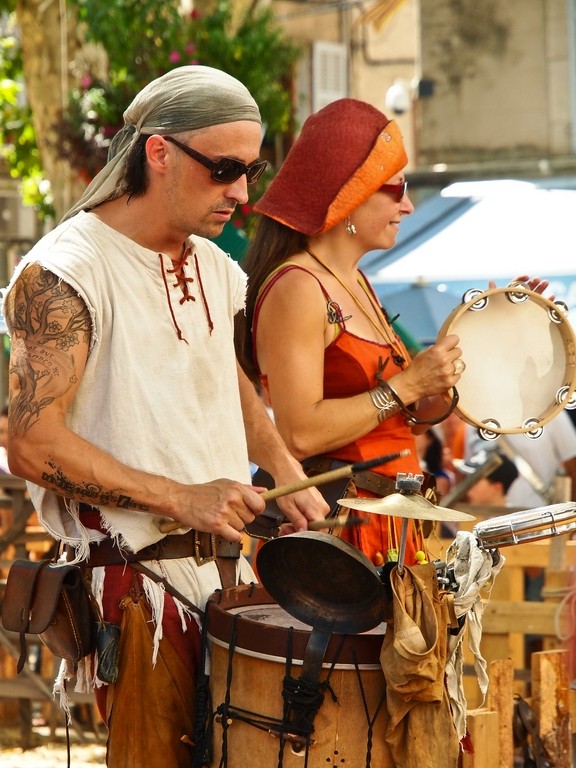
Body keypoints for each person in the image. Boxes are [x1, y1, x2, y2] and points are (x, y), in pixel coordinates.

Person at [1, 65, 327, 768]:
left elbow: (227, 380)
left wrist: (286, 468)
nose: (242, 192)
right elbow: (31, 444)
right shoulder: (64, 271)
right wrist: (185, 497)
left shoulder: (216, 268)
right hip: (135, 594)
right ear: (158, 153)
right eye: (224, 169)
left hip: (229, 584)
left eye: (251, 169)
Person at [237, 97, 550, 569]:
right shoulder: (299, 286)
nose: (406, 204)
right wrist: (405, 385)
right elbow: (298, 433)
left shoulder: (355, 281)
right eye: (396, 188)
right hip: (336, 531)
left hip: (389, 524)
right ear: (351, 194)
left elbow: (406, 414)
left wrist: (488, 334)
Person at [455, 450, 519, 506]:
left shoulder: (514, 519)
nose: (468, 488)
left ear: (497, 487)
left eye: (475, 481)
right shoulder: (471, 516)